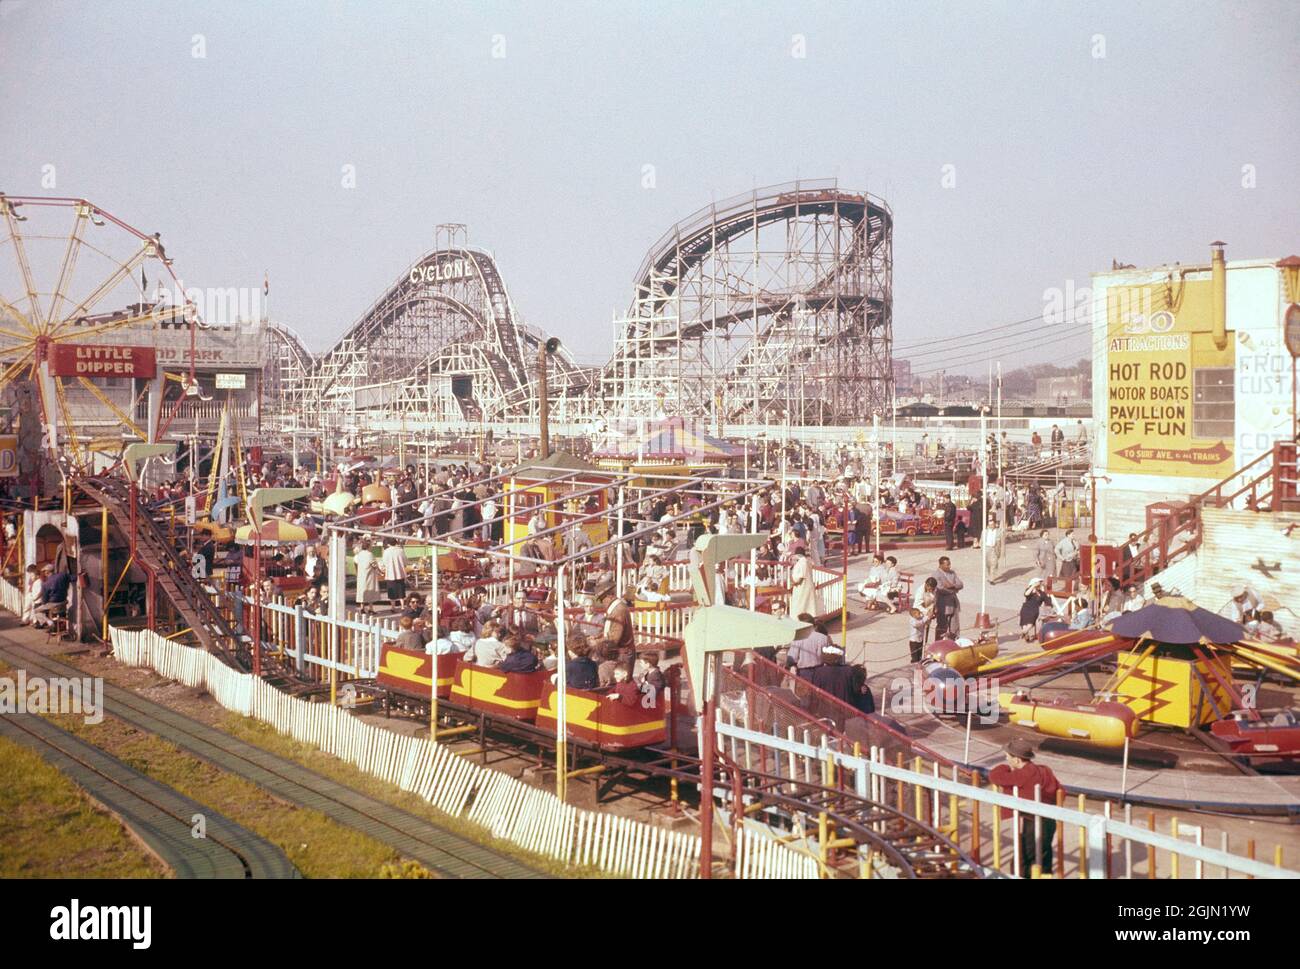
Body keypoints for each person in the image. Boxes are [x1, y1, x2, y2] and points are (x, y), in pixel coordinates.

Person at [988, 738, 1061, 877]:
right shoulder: (1044, 770)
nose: (1005, 758)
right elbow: (1060, 790)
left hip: (1034, 822)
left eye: (1008, 756)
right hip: (1049, 821)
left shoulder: (1023, 774)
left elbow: (995, 776)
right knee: (1044, 858)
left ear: (1016, 760)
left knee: (1023, 860)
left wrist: (1004, 767)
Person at [931, 556, 963, 639]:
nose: (949, 566)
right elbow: (940, 588)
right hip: (943, 604)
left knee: (954, 625)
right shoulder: (936, 575)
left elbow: (960, 584)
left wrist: (952, 585)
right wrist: (953, 590)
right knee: (942, 625)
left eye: (949, 564)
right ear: (941, 565)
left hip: (953, 603)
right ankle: (939, 643)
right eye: (947, 565)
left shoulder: (952, 573)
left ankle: (954, 641)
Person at [788, 547, 816, 619]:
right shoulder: (807, 561)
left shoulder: (801, 563)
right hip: (807, 587)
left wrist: (793, 583)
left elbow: (799, 578)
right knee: (808, 606)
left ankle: (798, 621)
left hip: (801, 588)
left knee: (799, 606)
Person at [380, 539, 407, 609]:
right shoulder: (401, 550)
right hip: (400, 573)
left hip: (390, 574)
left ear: (389, 544)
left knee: (391, 591)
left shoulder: (386, 552)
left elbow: (384, 563)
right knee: (401, 591)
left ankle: (393, 607)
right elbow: (405, 562)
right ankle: (402, 606)